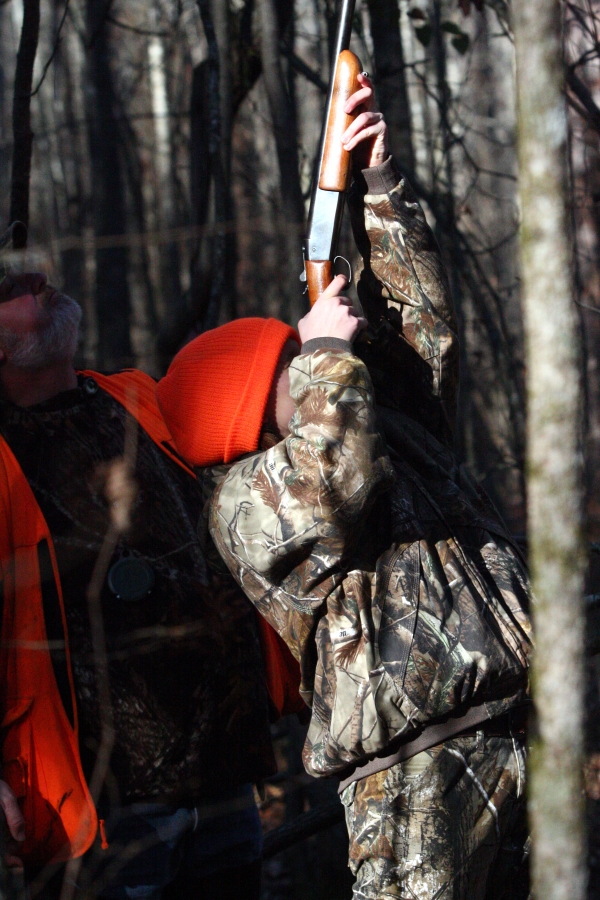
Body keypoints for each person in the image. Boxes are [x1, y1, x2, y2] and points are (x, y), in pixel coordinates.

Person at [156, 79, 533, 900]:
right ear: (250, 410)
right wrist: (322, 352)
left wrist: (380, 183)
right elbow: (335, 482)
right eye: (289, 359)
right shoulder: (246, 504)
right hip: (412, 786)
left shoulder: (364, 413)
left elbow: (421, 331)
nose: (316, 353)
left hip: (517, 730)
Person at [0, 227, 303, 899]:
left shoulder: (129, 393)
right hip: (102, 805)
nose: (38, 284)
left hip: (223, 767)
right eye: (10, 291)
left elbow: (250, 393)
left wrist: (314, 348)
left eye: (30, 272)